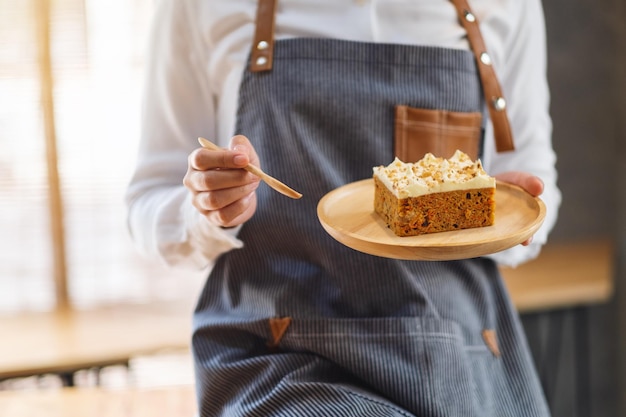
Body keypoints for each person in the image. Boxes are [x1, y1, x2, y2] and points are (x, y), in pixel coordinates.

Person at [126, 0, 561, 415]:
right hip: (281, 352)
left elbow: (533, 180)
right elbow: (147, 203)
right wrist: (205, 209)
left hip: (456, 350)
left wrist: (505, 211)